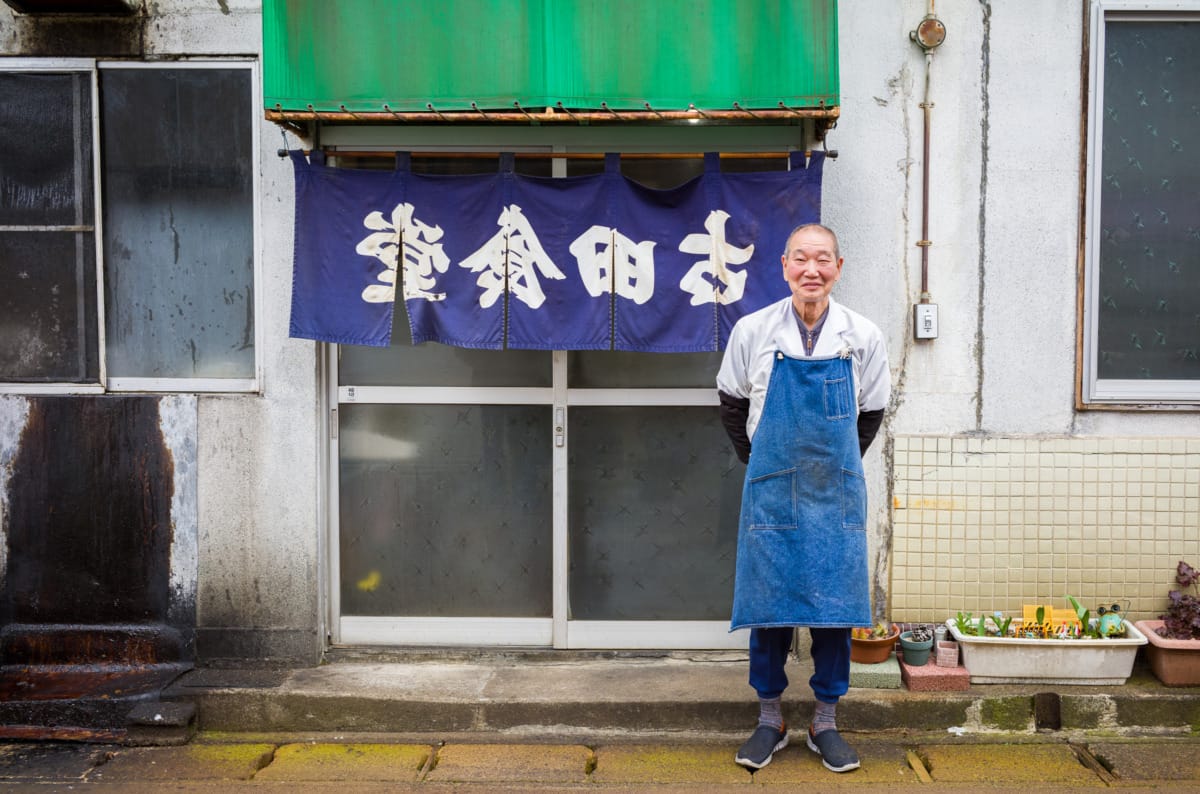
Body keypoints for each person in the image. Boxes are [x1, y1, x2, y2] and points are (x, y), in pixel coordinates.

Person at [716, 223, 889, 773]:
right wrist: (764, 466)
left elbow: (872, 414)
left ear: (839, 266)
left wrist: (832, 468)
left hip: (834, 492)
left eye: (822, 260)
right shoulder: (752, 329)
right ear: (784, 266)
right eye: (800, 259)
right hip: (772, 490)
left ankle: (825, 722)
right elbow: (730, 402)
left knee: (834, 611)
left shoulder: (862, 335)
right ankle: (770, 719)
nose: (811, 270)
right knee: (769, 609)